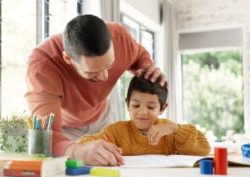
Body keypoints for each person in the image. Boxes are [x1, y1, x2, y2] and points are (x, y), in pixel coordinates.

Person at [25, 14, 167, 166]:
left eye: (109, 65)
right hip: (66, 131)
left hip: (102, 116)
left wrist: (147, 69)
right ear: (68, 59)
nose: (105, 77)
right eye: (92, 73)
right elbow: (45, 136)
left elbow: (139, 56)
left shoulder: (120, 37)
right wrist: (78, 151)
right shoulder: (42, 68)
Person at [77, 75, 210, 157]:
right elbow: (82, 144)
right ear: (127, 104)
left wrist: (176, 129)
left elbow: (204, 149)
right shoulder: (116, 132)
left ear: (162, 108)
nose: (142, 112)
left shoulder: (169, 131)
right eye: (135, 105)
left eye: (151, 107)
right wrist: (97, 147)